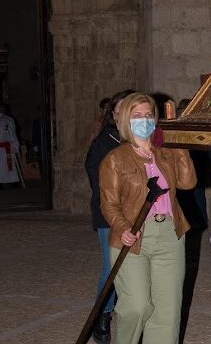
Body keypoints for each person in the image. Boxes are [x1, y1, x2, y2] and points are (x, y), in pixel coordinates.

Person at [99, 92, 196, 344]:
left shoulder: (165, 153)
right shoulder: (115, 159)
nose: (144, 120)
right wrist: (122, 227)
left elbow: (188, 183)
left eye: (148, 115)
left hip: (169, 235)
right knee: (137, 306)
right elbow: (108, 203)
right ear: (125, 120)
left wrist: (179, 144)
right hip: (133, 237)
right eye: (137, 115)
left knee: (168, 311)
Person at [84, 89, 134, 343]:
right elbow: (97, 179)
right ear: (113, 113)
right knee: (113, 265)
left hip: (141, 213)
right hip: (110, 214)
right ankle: (101, 315)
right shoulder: (105, 142)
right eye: (120, 109)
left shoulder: (141, 138)